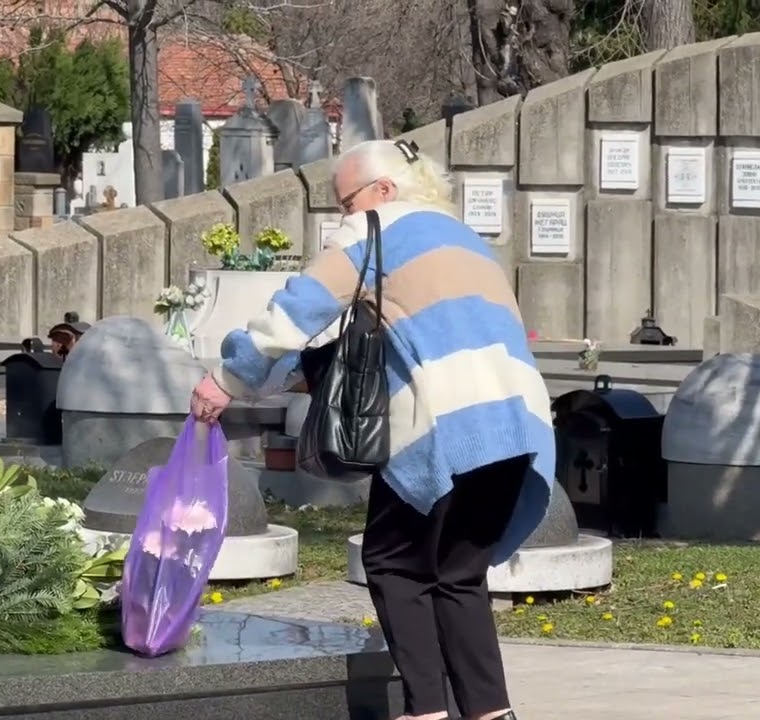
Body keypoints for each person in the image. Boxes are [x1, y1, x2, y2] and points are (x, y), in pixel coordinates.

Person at [188, 139, 555, 720]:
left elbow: (296, 310)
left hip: (443, 428)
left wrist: (229, 378)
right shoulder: (466, 240)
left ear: (383, 191)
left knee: (392, 562)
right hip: (519, 425)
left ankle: (427, 712)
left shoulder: (373, 231)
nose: (341, 217)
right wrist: (299, 376)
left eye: (345, 201)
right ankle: (492, 713)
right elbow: (395, 337)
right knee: (459, 575)